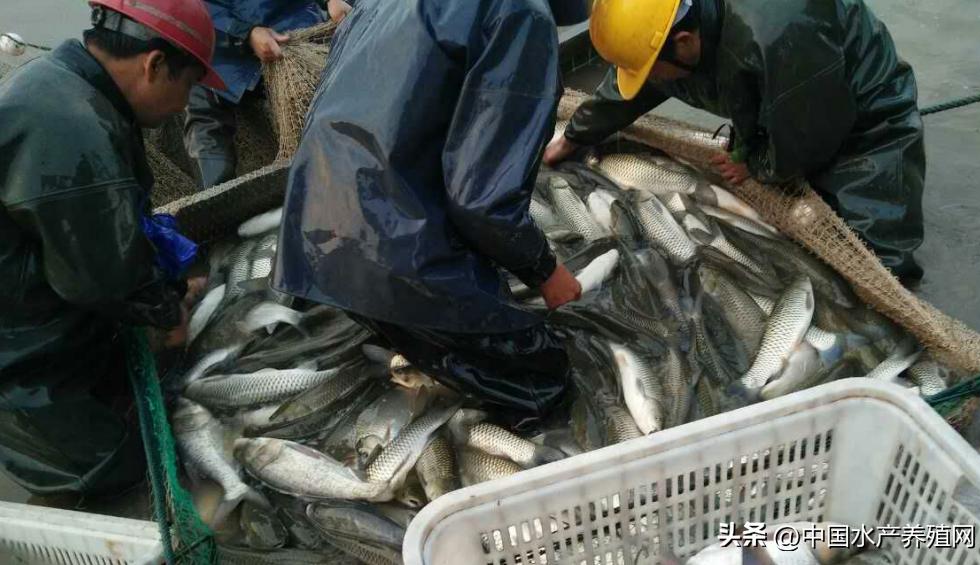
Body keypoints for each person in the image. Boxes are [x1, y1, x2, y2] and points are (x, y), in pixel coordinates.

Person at [273, 0, 589, 427]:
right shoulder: (521, 14)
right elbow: (482, 199)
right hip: (391, 255)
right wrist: (545, 272)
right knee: (543, 380)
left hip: (314, 239)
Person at [0, 0, 221, 498]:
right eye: (188, 86)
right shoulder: (70, 127)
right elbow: (102, 277)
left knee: (132, 410)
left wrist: (167, 283)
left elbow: (112, 230)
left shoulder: (66, 84)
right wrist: (168, 312)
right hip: (19, 363)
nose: (184, 106)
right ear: (154, 64)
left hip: (44, 311)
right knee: (116, 473)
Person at [545, 0, 926, 284]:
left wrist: (755, 164)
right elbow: (633, 86)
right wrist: (576, 135)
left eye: (652, 70)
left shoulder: (780, 36)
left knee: (878, 258)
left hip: (863, 111)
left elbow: (808, 136)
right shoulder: (674, 26)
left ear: (684, 41)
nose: (651, 78)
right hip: (784, 91)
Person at [184, 0, 353, 189]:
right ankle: (217, 196)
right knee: (203, 112)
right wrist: (246, 33)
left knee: (332, 94)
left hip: (293, 33)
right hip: (222, 49)